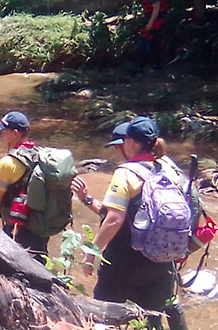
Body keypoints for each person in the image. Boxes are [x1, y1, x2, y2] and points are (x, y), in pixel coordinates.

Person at [71, 116, 188, 330]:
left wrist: (91, 253)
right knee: (152, 319)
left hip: (123, 262)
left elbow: (114, 219)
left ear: (132, 142)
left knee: (102, 317)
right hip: (160, 262)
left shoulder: (125, 174)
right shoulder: (167, 171)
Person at [0, 111, 49, 262]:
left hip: (17, 230)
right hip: (40, 227)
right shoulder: (42, 155)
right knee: (40, 265)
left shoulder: (8, 163)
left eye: (4, 131)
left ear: (15, 133)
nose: (2, 135)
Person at [137, 0, 171, 65]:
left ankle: (155, 65)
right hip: (155, 21)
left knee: (151, 43)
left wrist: (150, 23)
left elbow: (156, 8)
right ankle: (153, 64)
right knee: (151, 43)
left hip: (156, 22)